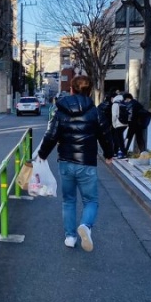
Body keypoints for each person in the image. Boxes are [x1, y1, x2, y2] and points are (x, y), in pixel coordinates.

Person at [36, 75, 114, 252]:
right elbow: (106, 135)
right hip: (87, 162)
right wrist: (109, 155)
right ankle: (86, 226)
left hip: (65, 162)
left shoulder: (61, 110)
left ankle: (70, 237)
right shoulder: (95, 112)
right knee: (91, 200)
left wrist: (42, 154)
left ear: (71, 89)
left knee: (69, 201)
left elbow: (51, 134)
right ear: (89, 91)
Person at [111, 94, 129, 158]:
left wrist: (113, 124)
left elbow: (114, 115)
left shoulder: (115, 104)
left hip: (118, 124)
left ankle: (123, 152)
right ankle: (116, 152)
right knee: (118, 138)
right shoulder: (123, 103)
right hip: (125, 124)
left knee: (119, 139)